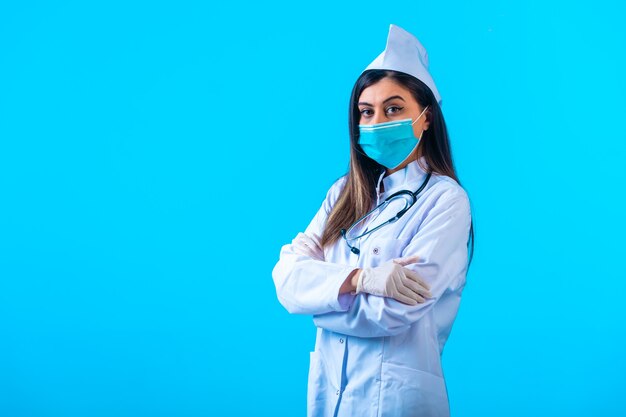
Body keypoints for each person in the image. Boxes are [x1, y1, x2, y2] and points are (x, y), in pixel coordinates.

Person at [272, 24, 475, 417]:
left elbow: (394, 314)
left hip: (398, 399)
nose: (378, 121)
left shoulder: (445, 200)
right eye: (367, 112)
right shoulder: (345, 193)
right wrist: (360, 280)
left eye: (394, 109)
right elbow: (286, 277)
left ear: (427, 117)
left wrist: (318, 296)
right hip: (331, 395)